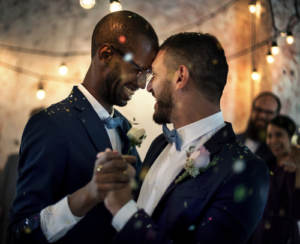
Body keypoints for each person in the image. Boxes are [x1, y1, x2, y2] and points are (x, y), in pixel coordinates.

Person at [100, 32, 270, 243]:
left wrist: (124, 211)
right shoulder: (159, 144)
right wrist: (125, 185)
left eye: (154, 75)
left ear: (180, 77)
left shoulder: (247, 171)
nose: (149, 86)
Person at [9, 11, 158, 244]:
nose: (141, 84)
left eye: (147, 74)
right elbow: (20, 233)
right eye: (138, 70)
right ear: (106, 54)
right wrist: (84, 197)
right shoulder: (50, 125)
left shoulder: (124, 127)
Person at [249, 115, 300, 244]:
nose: (272, 140)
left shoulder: (296, 167)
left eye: (279, 135)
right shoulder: (267, 164)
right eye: (269, 135)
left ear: (291, 138)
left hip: (284, 237)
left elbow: (297, 210)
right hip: (259, 235)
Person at [237, 92, 281, 169]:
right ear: (252, 110)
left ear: (277, 116)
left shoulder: (279, 151)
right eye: (258, 110)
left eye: (269, 112)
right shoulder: (233, 139)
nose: (262, 115)